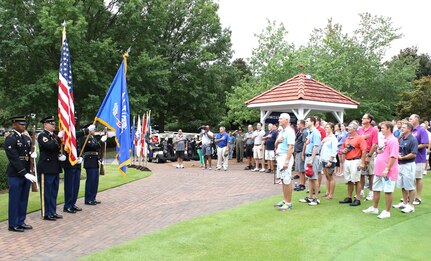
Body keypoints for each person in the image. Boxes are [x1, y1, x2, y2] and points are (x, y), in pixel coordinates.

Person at [5, 115, 37, 232]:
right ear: (14, 124)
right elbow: (14, 159)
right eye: (21, 124)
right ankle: (13, 224)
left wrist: (33, 155)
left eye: (24, 124)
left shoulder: (26, 138)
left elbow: (28, 154)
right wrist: (24, 173)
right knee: (15, 199)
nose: (23, 126)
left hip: (26, 173)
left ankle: (21, 221)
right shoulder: (11, 138)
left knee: (23, 199)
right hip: (16, 174)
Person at [363, 122, 399, 219]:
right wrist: (377, 151)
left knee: (388, 191)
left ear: (389, 128)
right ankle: (374, 208)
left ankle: (387, 211)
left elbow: (393, 156)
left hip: (387, 171)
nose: (381, 129)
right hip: (378, 169)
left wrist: (387, 169)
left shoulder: (393, 140)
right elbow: (380, 151)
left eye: (383, 128)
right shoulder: (384, 139)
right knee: (376, 188)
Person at [61, 121, 95, 214]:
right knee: (69, 185)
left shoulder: (73, 131)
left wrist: (80, 156)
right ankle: (67, 205)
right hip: (70, 163)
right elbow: (72, 137)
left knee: (76, 185)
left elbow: (77, 147)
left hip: (76, 162)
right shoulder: (68, 131)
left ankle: (72, 204)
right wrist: (87, 130)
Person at [37, 116, 65, 221]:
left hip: (55, 167)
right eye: (51, 123)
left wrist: (60, 155)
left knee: (54, 191)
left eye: (54, 123)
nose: (53, 125)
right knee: (46, 192)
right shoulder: (42, 135)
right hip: (46, 167)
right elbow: (49, 146)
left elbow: (56, 149)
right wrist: (58, 137)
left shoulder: (53, 135)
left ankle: (52, 211)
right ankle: (46, 213)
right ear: (45, 125)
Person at [339, 121, 366, 207]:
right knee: (349, 180)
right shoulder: (347, 139)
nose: (348, 128)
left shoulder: (359, 138)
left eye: (350, 127)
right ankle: (349, 197)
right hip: (348, 160)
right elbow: (342, 149)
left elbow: (364, 150)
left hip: (356, 160)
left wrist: (362, 162)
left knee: (356, 180)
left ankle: (358, 198)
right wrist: (343, 151)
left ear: (354, 128)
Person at [392, 122, 418, 213]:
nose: (401, 129)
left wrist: (402, 157)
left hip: (408, 165)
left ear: (409, 129)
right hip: (401, 165)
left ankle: (411, 206)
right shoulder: (402, 138)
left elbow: (413, 154)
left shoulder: (413, 140)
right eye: (402, 127)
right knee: (403, 185)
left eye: (404, 127)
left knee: (410, 186)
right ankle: (404, 202)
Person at [273, 113, 296, 211]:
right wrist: (278, 141)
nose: (279, 120)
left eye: (281, 119)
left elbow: (291, 147)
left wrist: (286, 161)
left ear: (287, 120)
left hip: (285, 157)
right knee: (282, 179)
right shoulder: (282, 131)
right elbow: (276, 144)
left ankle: (288, 203)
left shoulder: (290, 131)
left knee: (287, 179)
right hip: (279, 156)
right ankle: (285, 200)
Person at [81, 124, 107, 205]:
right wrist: (101, 141)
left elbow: (97, 148)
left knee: (95, 181)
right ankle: (88, 199)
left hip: (95, 161)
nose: (94, 130)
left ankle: (93, 197)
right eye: (93, 129)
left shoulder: (93, 138)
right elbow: (93, 147)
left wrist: (100, 158)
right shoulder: (86, 138)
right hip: (90, 161)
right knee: (91, 180)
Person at [299, 116, 321, 206]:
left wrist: (312, 158)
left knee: (314, 177)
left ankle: (316, 198)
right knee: (310, 178)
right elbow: (307, 142)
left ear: (312, 122)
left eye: (307, 121)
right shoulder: (309, 132)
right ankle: (310, 197)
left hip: (313, 157)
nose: (306, 122)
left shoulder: (316, 132)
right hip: (308, 156)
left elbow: (316, 146)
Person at [358, 113, 378, 201]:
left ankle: (371, 192)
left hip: (369, 153)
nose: (362, 119)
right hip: (361, 153)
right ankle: (361, 191)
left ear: (369, 120)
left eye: (364, 118)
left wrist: (369, 156)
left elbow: (374, 144)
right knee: (361, 173)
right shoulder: (360, 130)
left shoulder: (374, 130)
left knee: (370, 173)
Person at [409, 114, 429, 205]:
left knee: (418, 177)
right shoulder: (410, 130)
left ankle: (418, 197)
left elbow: (425, 144)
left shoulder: (422, 130)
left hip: (419, 157)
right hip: (410, 157)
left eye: (411, 119)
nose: (409, 120)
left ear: (416, 120)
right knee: (410, 177)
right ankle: (410, 196)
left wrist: (414, 147)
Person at [320, 122, 338, 199]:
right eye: (326, 127)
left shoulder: (333, 138)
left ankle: (331, 194)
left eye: (328, 127)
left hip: (329, 160)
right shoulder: (326, 138)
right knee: (327, 177)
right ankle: (327, 192)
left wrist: (330, 160)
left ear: (332, 128)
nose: (326, 128)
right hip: (324, 158)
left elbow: (334, 150)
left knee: (331, 177)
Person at [294, 120, 307, 191]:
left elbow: (304, 143)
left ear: (302, 124)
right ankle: (300, 183)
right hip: (298, 151)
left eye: (298, 124)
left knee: (302, 169)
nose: (297, 125)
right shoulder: (300, 131)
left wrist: (303, 154)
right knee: (299, 169)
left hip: (301, 151)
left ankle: (302, 184)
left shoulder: (304, 132)